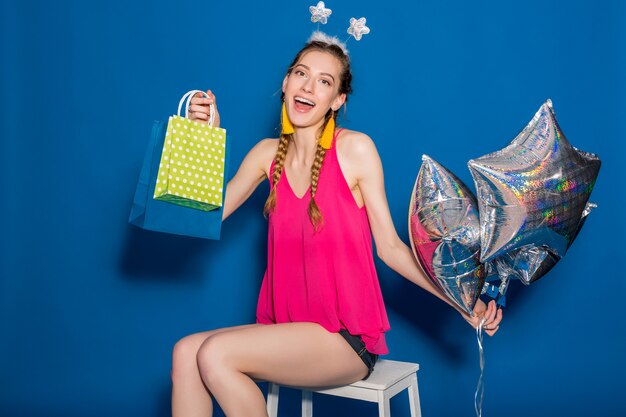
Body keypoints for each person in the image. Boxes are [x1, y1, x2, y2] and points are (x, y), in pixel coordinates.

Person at [171, 34, 503, 417]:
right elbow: (201, 217)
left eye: (325, 81)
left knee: (214, 354)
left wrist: (460, 301)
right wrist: (202, 138)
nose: (309, 87)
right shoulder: (266, 156)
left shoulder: (355, 149)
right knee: (185, 353)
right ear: (286, 82)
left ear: (338, 100)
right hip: (286, 332)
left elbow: (392, 250)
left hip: (344, 339)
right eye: (301, 74)